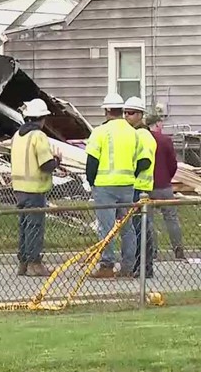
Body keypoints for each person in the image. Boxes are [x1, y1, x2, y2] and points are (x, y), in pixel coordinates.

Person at [84, 93, 140, 279]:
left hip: (105, 185)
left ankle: (107, 265)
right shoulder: (133, 132)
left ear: (107, 110)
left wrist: (91, 182)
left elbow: (92, 161)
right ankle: (128, 266)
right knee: (127, 228)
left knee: (106, 227)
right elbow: (140, 161)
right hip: (127, 186)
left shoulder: (100, 132)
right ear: (122, 110)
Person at [10, 98, 61, 277]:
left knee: (24, 225)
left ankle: (23, 262)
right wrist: (57, 161)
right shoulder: (38, 136)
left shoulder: (18, 135)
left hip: (19, 188)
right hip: (35, 188)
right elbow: (46, 164)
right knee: (34, 226)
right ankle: (34, 262)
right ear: (41, 118)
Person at [124, 97, 157, 278]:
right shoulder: (135, 134)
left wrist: (131, 175)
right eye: (125, 113)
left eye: (131, 113)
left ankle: (144, 265)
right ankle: (141, 265)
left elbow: (144, 161)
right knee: (137, 227)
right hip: (136, 186)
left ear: (140, 115)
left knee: (140, 228)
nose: (127, 116)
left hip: (140, 187)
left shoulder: (142, 135)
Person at [148, 117, 186, 261]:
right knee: (171, 218)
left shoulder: (141, 139)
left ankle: (152, 251)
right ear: (157, 124)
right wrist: (167, 177)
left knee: (148, 220)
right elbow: (173, 163)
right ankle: (178, 249)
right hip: (164, 185)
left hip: (146, 185)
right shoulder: (165, 140)